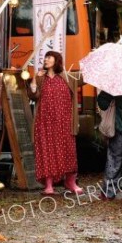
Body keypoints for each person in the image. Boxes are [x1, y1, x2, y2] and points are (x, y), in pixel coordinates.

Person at [28, 51, 83, 195]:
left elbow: (82, 78)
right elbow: (34, 96)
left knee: (68, 150)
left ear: (56, 60)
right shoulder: (41, 77)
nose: (45, 59)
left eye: (49, 57)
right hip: (44, 122)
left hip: (64, 122)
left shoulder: (67, 76)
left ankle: (70, 182)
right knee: (47, 151)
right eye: (45, 57)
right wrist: (33, 82)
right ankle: (49, 185)